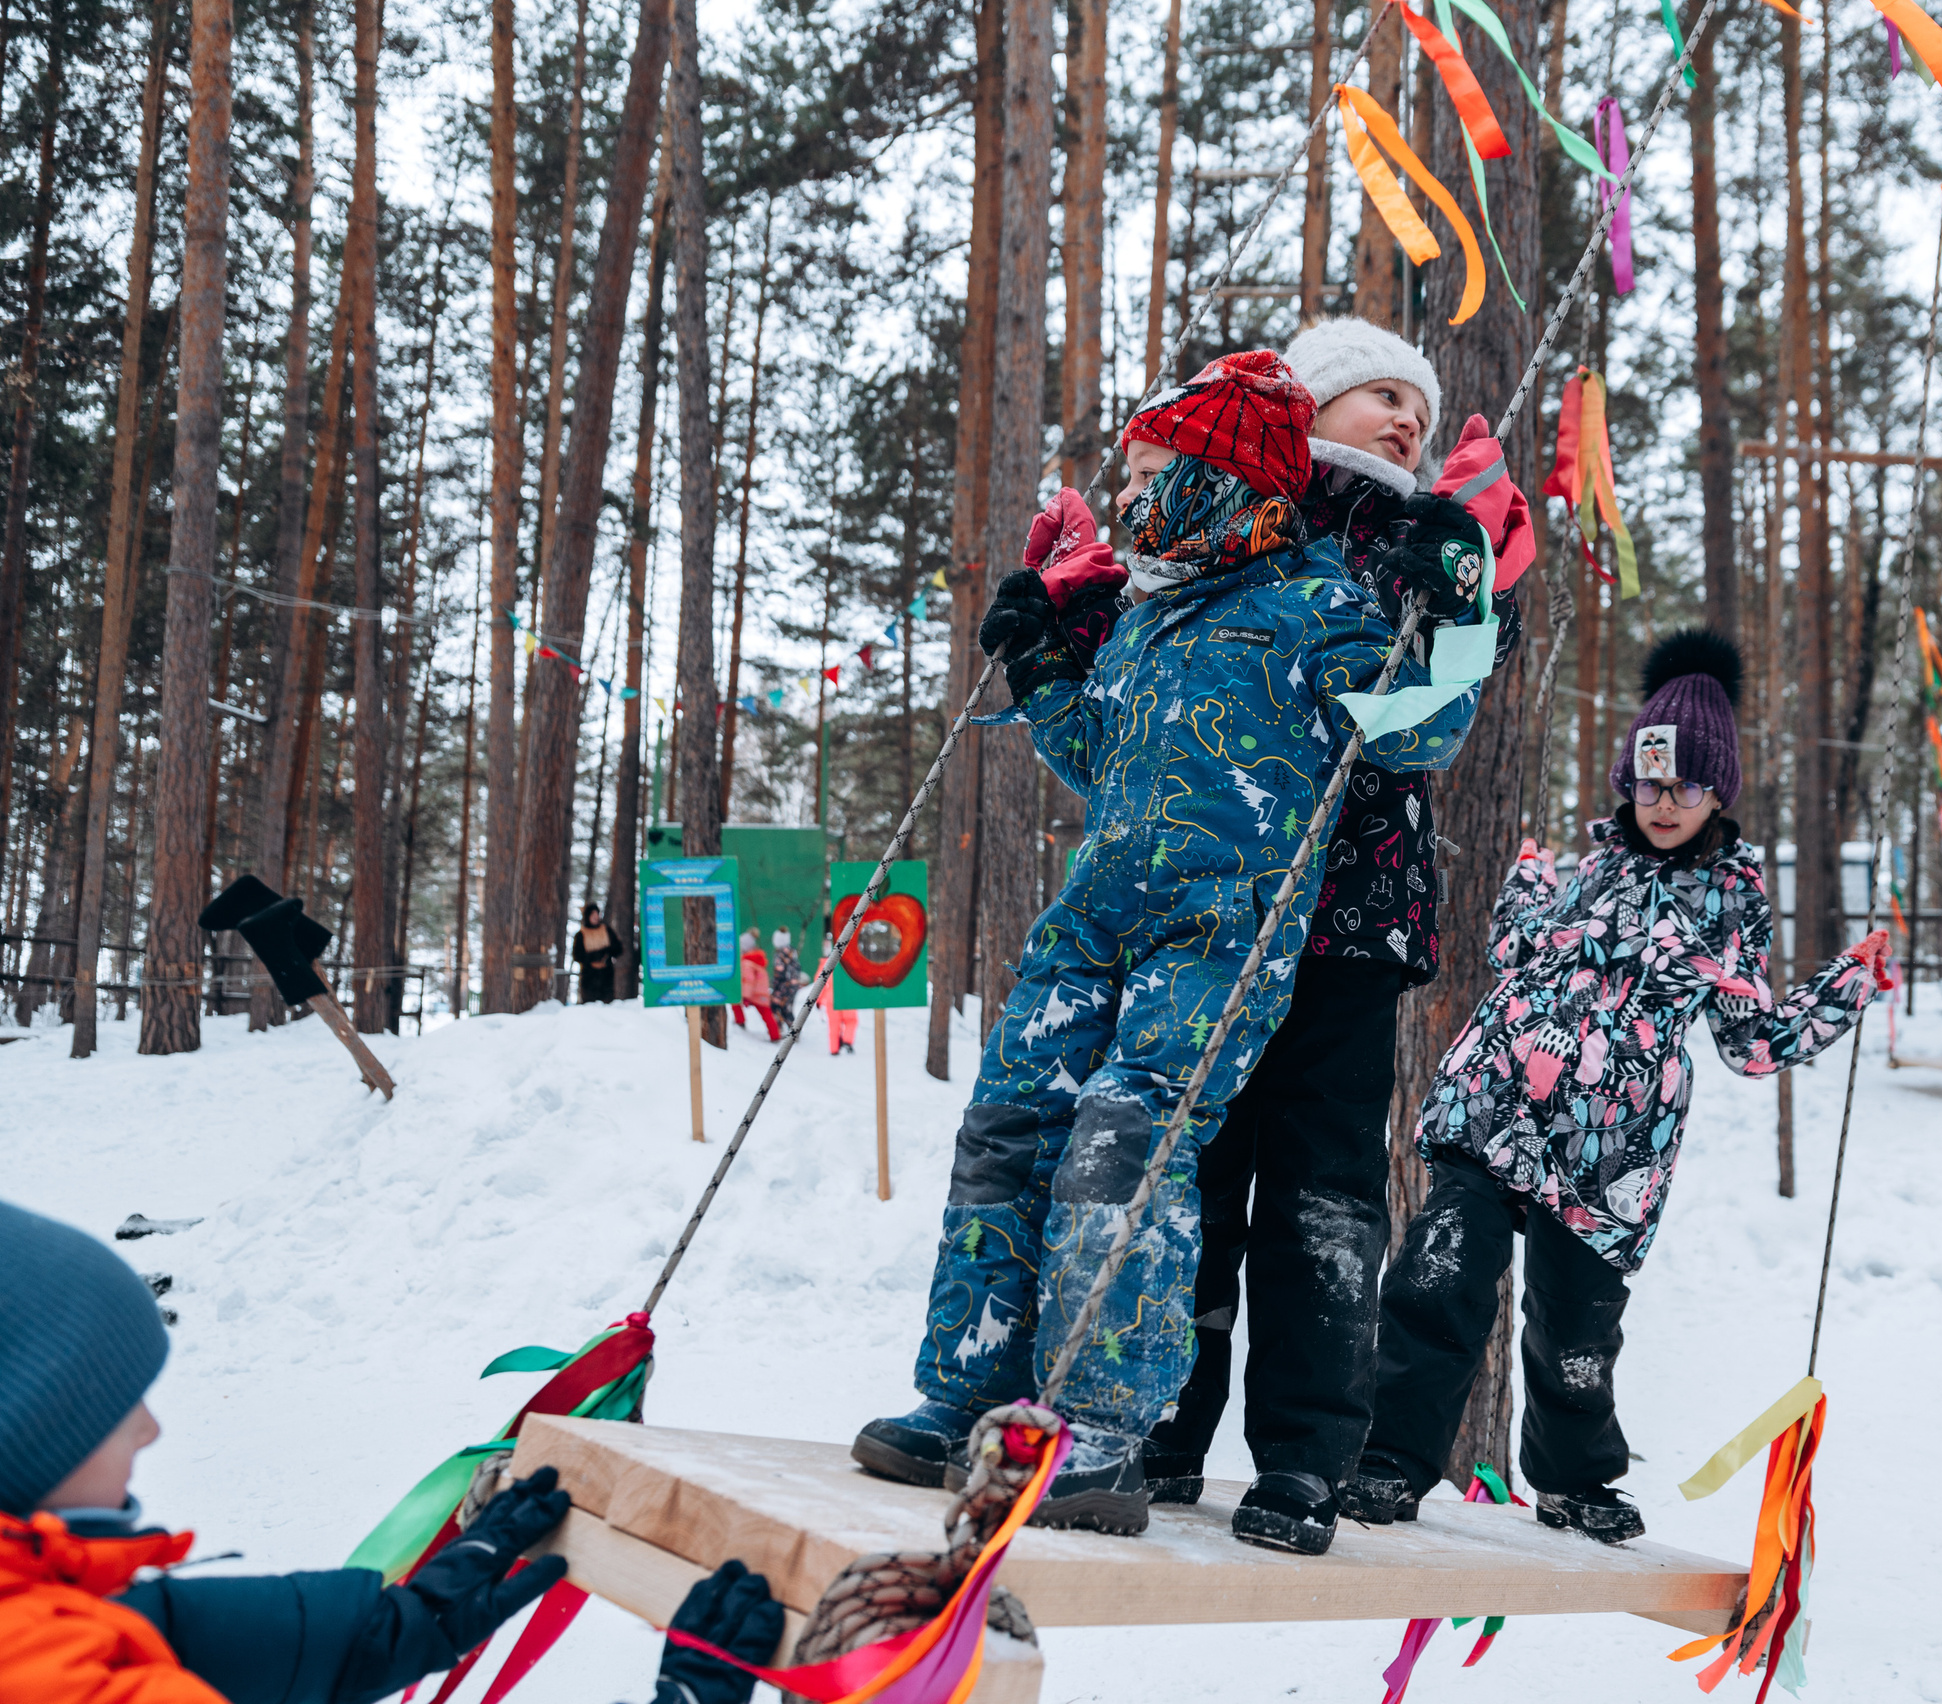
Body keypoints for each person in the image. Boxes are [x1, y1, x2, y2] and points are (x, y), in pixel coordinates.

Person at [853, 351, 1489, 1538]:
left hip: (1215, 933)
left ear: (1218, 481)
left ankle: (1099, 1424)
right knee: (1011, 1129)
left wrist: (1458, 608)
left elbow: (1420, 729)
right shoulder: (1149, 621)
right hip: (1089, 919)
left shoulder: (1314, 605)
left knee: (1127, 1141)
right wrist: (1046, 661)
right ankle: (971, 1388)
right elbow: (1098, 751)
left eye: (1154, 475)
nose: (1133, 499)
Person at [1340, 630, 1892, 1546]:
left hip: (1613, 1156)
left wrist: (1846, 987)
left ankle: (1572, 1477)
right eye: (1647, 783)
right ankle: (1390, 1460)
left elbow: (1752, 1042)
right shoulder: (1590, 868)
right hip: (1500, 1116)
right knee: (1439, 1281)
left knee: (1577, 1333)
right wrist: (1523, 894)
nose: (1662, 802)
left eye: (1682, 786)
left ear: (1720, 790)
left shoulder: (1731, 899)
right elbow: (1515, 959)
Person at [1144, 319, 1530, 1557]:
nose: (1405, 419)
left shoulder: (1418, 540)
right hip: (1216, 914)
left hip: (1352, 921)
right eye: (1377, 394)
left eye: (1416, 404)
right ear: (1307, 409)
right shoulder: (1244, 519)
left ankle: (1305, 1457)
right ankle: (1157, 1425)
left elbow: (1428, 708)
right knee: (1195, 1178)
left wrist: (1461, 591)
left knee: (1322, 1194)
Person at [0, 1199, 784, 1704]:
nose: (150, 1431)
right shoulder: (50, 1673)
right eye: (115, 1404)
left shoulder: (46, 1612)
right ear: (29, 1432)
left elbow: (169, 1630)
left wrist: (400, 1621)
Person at [731, 930, 780, 1043]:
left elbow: (749, 980)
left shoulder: (746, 963)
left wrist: (745, 997)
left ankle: (740, 1021)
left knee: (735, 1002)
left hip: (753, 993)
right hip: (761, 992)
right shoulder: (756, 960)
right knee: (766, 1013)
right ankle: (775, 1035)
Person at [573, 904, 621, 1004]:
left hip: (606, 976)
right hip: (589, 976)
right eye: (592, 914)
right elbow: (577, 955)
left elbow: (618, 949)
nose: (595, 917)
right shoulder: (581, 934)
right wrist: (593, 957)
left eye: (597, 914)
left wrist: (607, 953)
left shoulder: (606, 930)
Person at [768, 929, 805, 1020]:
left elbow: (779, 972)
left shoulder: (779, 954)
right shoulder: (792, 951)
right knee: (787, 1009)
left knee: (776, 1007)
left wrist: (775, 985)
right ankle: (793, 1031)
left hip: (783, 986)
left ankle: (780, 1031)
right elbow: (796, 968)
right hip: (793, 985)